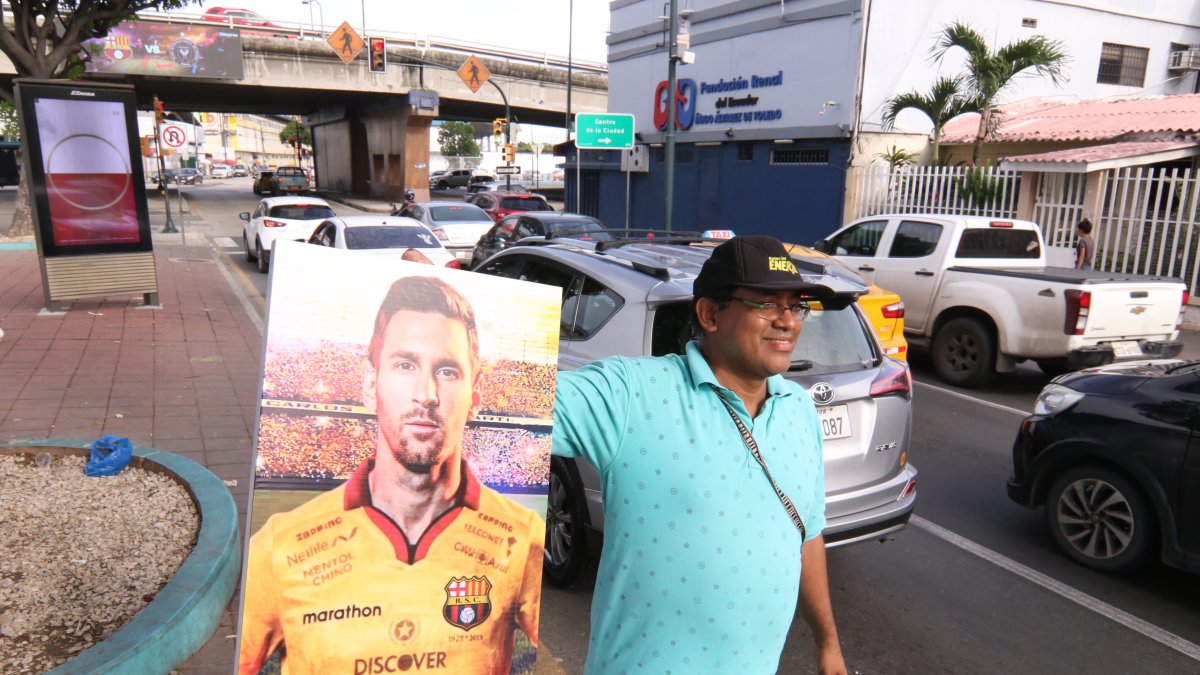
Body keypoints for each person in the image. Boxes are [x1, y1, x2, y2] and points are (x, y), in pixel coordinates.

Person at [553, 235, 847, 674]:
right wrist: (420, 293)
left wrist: (827, 644)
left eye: (795, 305)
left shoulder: (799, 410)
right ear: (710, 314)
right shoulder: (631, 393)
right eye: (767, 304)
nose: (788, 321)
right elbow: (490, 403)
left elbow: (805, 534)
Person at [239, 275, 544, 675]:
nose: (427, 394)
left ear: (476, 395)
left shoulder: (523, 537)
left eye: (448, 371)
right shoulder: (279, 547)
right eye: (405, 365)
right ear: (370, 385)